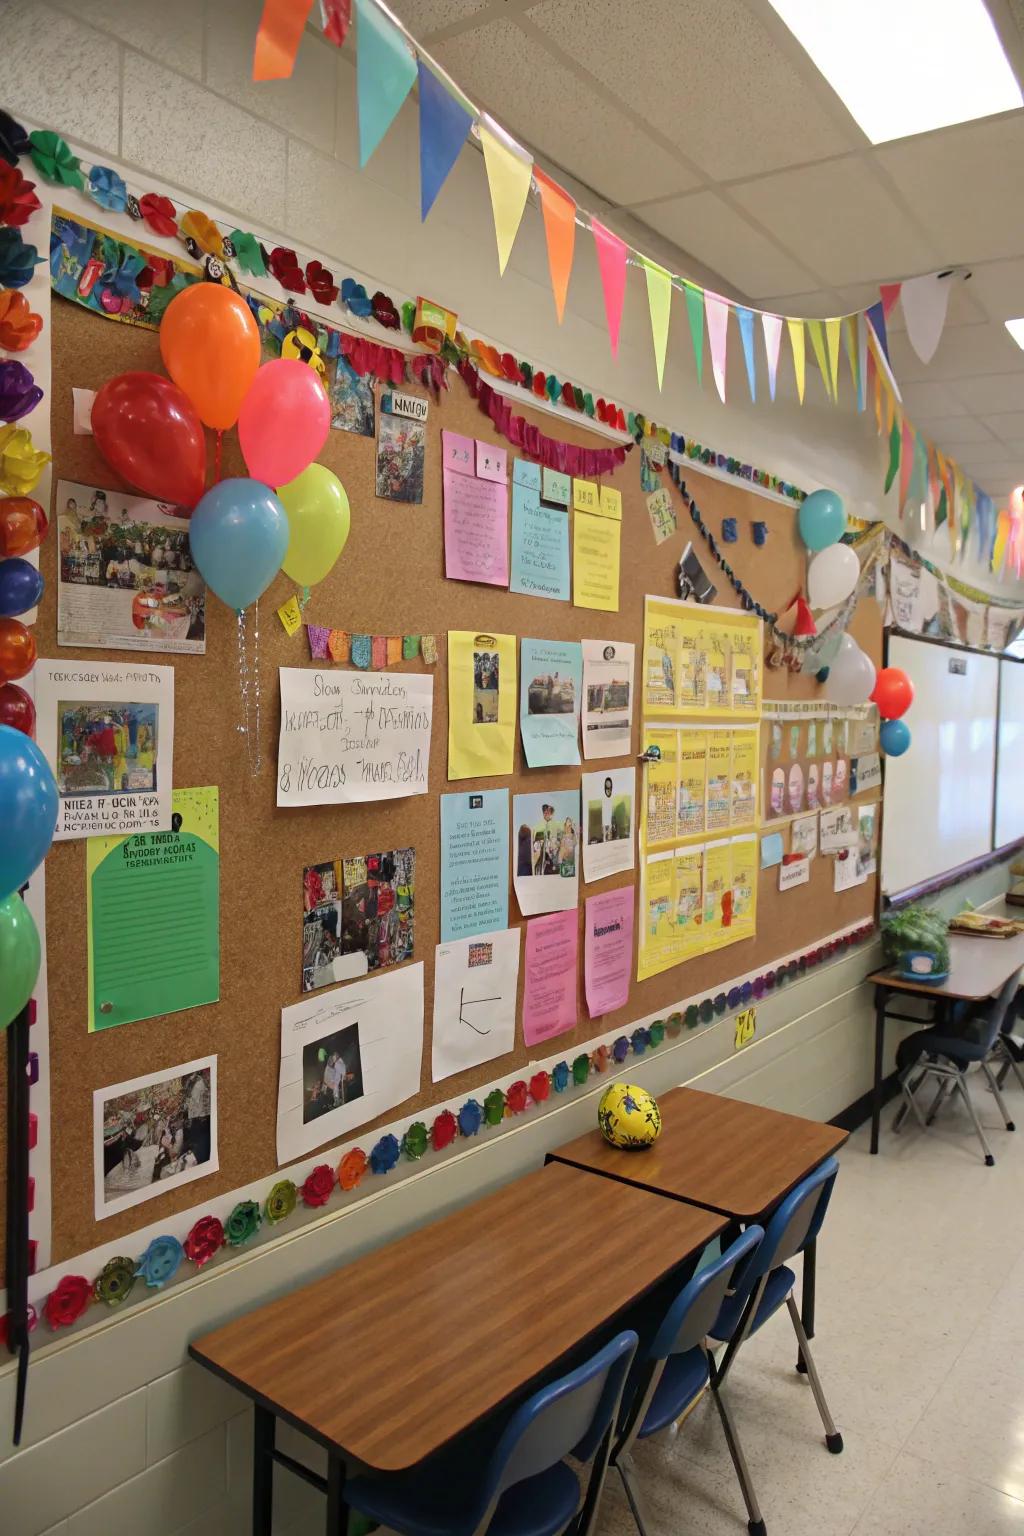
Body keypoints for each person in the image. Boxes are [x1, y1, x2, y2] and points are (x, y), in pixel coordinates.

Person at [183, 1070, 211, 1166]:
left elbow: (194, 1101)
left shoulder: (200, 1083)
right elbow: (192, 1102)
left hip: (200, 1118)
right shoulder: (196, 1084)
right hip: (198, 1119)